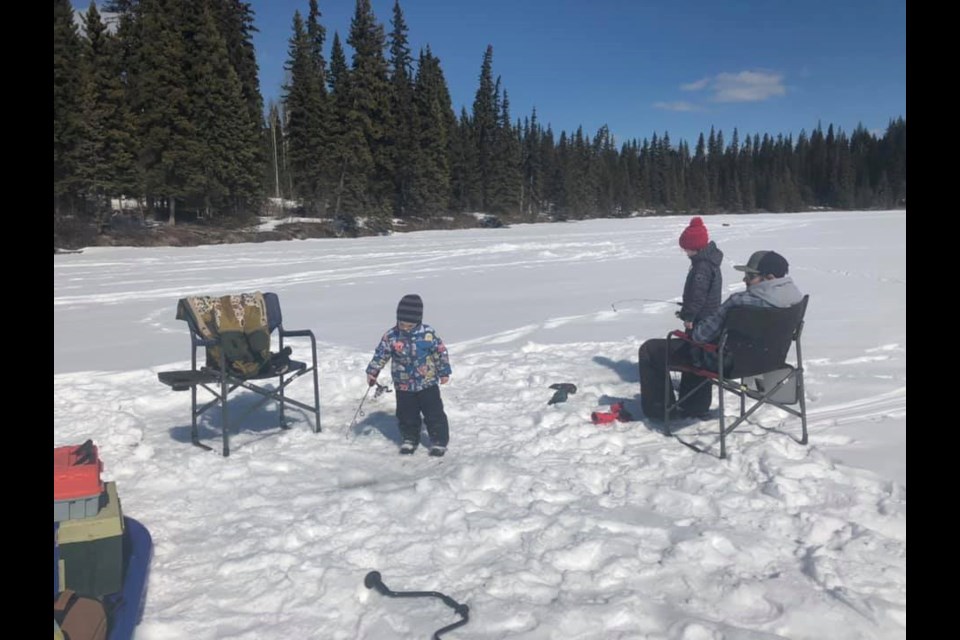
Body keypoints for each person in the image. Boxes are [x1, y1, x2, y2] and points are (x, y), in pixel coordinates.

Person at [638, 250, 804, 421]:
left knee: (652, 350)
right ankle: (693, 407)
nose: (745, 279)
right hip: (771, 362)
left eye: (750, 275)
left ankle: (660, 413)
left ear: (769, 278)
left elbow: (700, 336)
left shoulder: (740, 302)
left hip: (729, 365)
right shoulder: (796, 301)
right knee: (702, 348)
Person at [366, 294, 452, 456]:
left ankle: (439, 440)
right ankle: (410, 438)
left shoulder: (428, 333)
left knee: (434, 413)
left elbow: (440, 352)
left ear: (418, 321)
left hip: (427, 383)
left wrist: (443, 371)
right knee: (406, 414)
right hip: (403, 384)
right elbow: (381, 354)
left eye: (409, 325)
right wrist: (373, 371)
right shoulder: (391, 336)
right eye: (402, 323)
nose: (404, 327)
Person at [674, 216, 724, 415]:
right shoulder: (709, 261)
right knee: (701, 355)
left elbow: (697, 295)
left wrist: (689, 316)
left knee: (696, 357)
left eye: (686, 248)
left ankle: (693, 403)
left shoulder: (702, 266)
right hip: (709, 316)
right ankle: (696, 400)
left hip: (702, 319)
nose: (685, 252)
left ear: (694, 247)